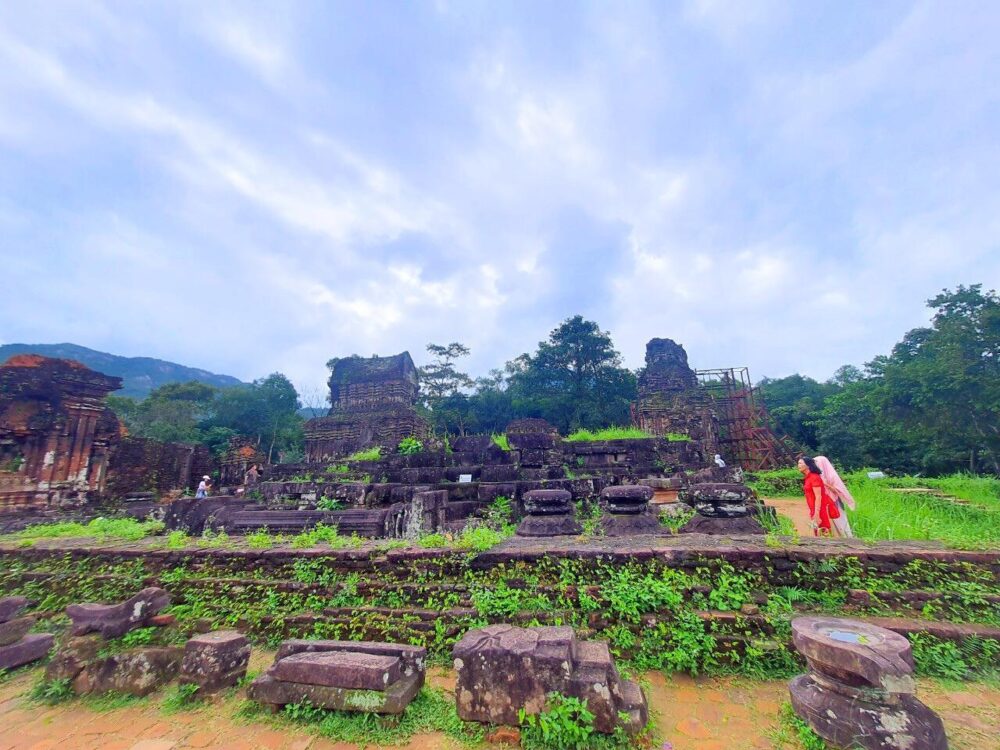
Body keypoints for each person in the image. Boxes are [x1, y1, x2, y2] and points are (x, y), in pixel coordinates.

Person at [796, 456, 840, 536]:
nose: (798, 465)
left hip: (819, 509)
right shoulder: (808, 477)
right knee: (817, 532)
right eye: (798, 463)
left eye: (800, 463)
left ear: (808, 465)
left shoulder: (814, 477)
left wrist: (817, 513)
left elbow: (818, 496)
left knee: (824, 532)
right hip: (813, 508)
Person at [814, 455, 855, 537]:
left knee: (840, 521)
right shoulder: (818, 475)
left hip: (834, 500)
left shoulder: (831, 475)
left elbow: (838, 489)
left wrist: (826, 484)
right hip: (825, 501)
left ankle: (848, 538)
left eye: (816, 463)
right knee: (829, 522)